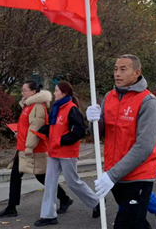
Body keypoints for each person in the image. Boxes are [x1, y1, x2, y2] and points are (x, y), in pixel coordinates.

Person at [86, 54, 156, 229]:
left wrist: (112, 175)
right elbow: (99, 134)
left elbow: (144, 146)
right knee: (136, 223)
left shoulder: (148, 101)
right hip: (114, 174)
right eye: (115, 69)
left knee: (125, 224)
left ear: (136, 72)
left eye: (123, 69)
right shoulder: (109, 97)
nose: (117, 74)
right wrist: (93, 121)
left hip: (137, 175)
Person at [0, 81, 71, 219]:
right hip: (25, 147)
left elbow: (35, 128)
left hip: (33, 148)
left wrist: (29, 147)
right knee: (18, 175)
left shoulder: (36, 106)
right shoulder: (29, 105)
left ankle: (64, 198)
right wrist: (20, 134)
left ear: (33, 92)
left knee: (41, 176)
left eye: (25, 90)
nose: (22, 93)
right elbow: (27, 126)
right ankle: (12, 207)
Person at [34, 82, 99, 226]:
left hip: (67, 152)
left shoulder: (71, 109)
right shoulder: (56, 108)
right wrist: (43, 131)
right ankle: (48, 215)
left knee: (73, 182)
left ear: (64, 93)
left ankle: (96, 202)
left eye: (56, 90)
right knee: (49, 183)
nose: (54, 93)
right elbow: (54, 127)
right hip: (54, 151)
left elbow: (79, 132)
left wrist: (58, 140)